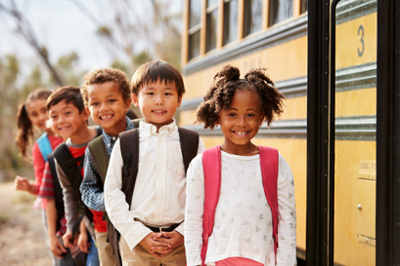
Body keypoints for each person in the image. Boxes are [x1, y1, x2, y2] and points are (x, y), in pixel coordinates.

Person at [185, 65, 297, 266]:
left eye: (250, 115)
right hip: (216, 261)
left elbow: (287, 223)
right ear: (218, 116)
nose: (242, 123)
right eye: (233, 114)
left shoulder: (275, 162)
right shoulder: (202, 164)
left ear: (261, 117)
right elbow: (193, 223)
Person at [104, 60, 204, 266]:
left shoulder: (192, 142)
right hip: (137, 244)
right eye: (150, 93)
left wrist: (182, 233)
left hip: (182, 245)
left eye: (167, 94)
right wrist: (137, 234)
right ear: (135, 99)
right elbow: (112, 192)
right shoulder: (125, 143)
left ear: (179, 99)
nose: (159, 101)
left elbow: (204, 192)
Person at [79, 68, 134, 266]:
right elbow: (86, 188)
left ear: (127, 103)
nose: (103, 108)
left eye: (111, 100)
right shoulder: (93, 149)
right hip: (108, 234)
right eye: (95, 103)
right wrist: (110, 201)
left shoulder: (146, 133)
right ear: (88, 110)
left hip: (148, 229)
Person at [47, 86, 100, 266]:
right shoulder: (61, 155)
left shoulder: (105, 138)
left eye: (67, 113)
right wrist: (73, 228)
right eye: (54, 116)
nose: (60, 121)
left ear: (85, 114)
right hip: (96, 230)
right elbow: (70, 194)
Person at [14, 88, 63, 264]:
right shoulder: (40, 147)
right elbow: (44, 189)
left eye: (44, 110)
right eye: (35, 114)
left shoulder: (74, 133)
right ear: (29, 118)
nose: (41, 117)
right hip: (54, 213)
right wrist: (29, 187)